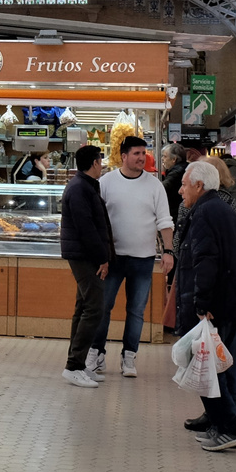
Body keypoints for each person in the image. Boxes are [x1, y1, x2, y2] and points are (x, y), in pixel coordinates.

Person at [174, 161, 236, 451]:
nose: (180, 190)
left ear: (199, 185)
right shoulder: (216, 209)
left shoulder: (207, 213)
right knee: (217, 366)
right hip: (226, 300)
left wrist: (201, 303)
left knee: (209, 367)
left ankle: (229, 428)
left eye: (184, 184)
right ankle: (223, 423)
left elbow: (207, 261)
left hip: (217, 304)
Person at [90, 136, 173, 380]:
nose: (141, 157)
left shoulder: (155, 185)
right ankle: (97, 352)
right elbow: (96, 219)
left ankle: (129, 355)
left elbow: (165, 221)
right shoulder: (106, 182)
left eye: (143, 153)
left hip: (143, 258)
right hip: (112, 258)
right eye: (136, 153)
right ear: (123, 156)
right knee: (103, 308)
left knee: (136, 310)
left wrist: (168, 251)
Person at [59, 145, 113, 388]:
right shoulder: (80, 188)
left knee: (83, 307)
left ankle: (77, 364)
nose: (102, 164)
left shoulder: (87, 185)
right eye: (100, 160)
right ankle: (73, 366)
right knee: (94, 308)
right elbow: (86, 228)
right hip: (83, 255)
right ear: (94, 163)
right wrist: (103, 257)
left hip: (86, 253)